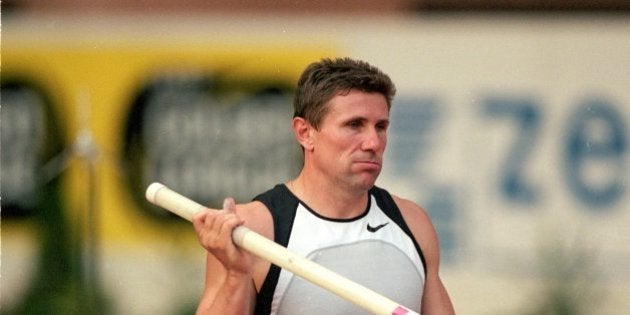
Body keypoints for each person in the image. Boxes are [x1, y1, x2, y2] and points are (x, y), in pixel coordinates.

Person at [192, 57, 455, 314]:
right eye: (355, 125)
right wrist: (236, 274)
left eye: (381, 127)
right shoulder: (253, 227)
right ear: (305, 133)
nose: (373, 143)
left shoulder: (412, 222)